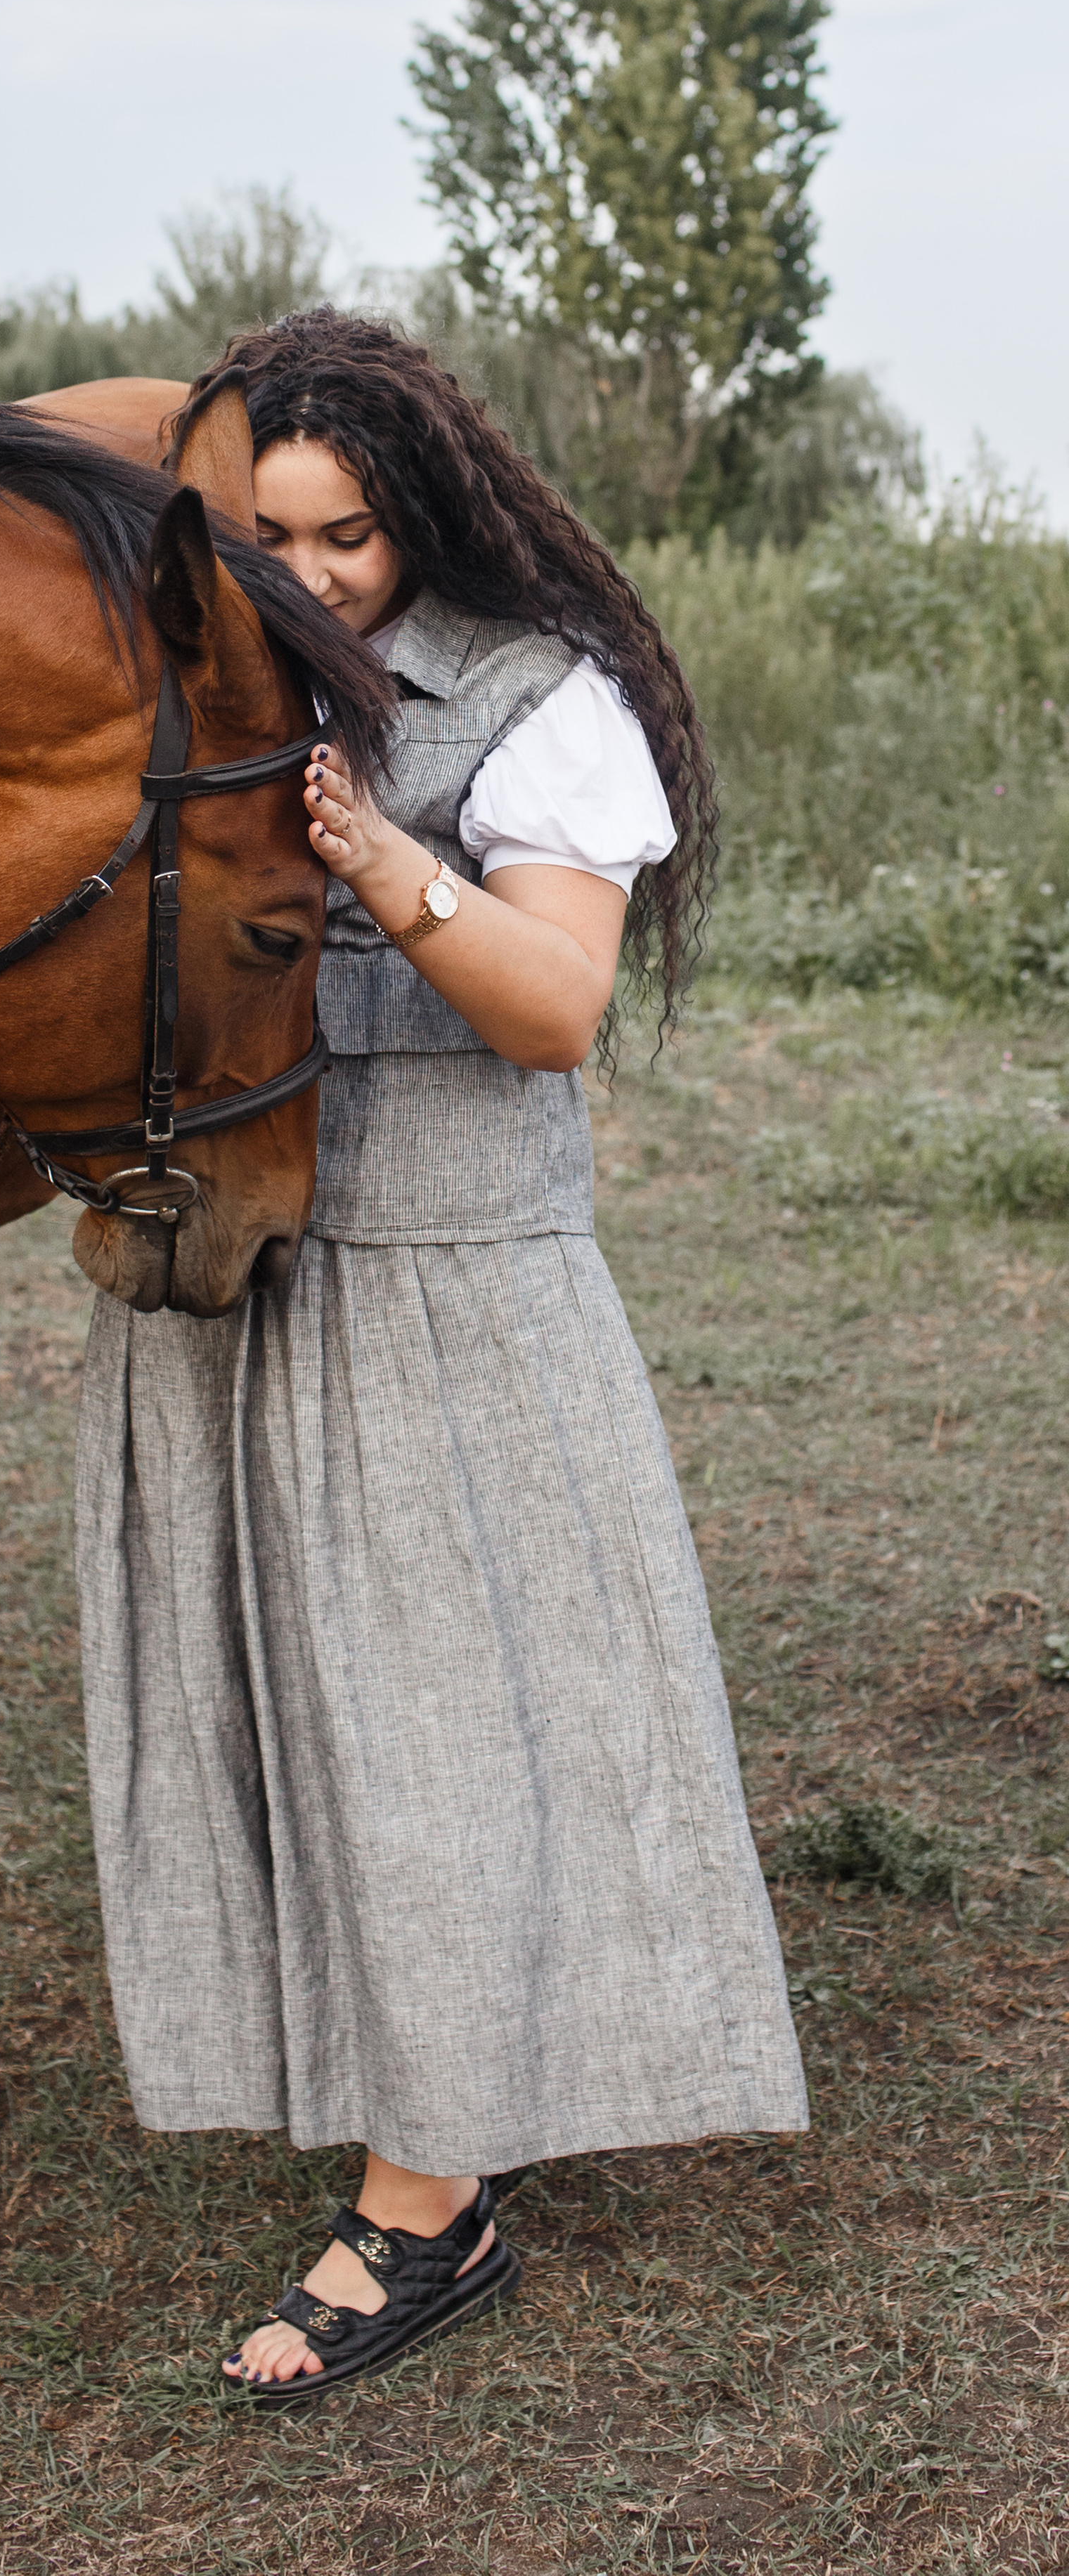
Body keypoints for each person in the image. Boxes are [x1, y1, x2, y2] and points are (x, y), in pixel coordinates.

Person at [73, 309, 807, 2407]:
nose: (308, 575)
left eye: (350, 538)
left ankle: (430, 2201)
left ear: (429, 517)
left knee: (437, 1740)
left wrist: (386, 861)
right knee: (278, 1714)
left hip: (445, 1288)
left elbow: (557, 1012)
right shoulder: (205, 670)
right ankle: (362, 2069)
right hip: (238, 1280)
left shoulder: (537, 700)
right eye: (269, 535)